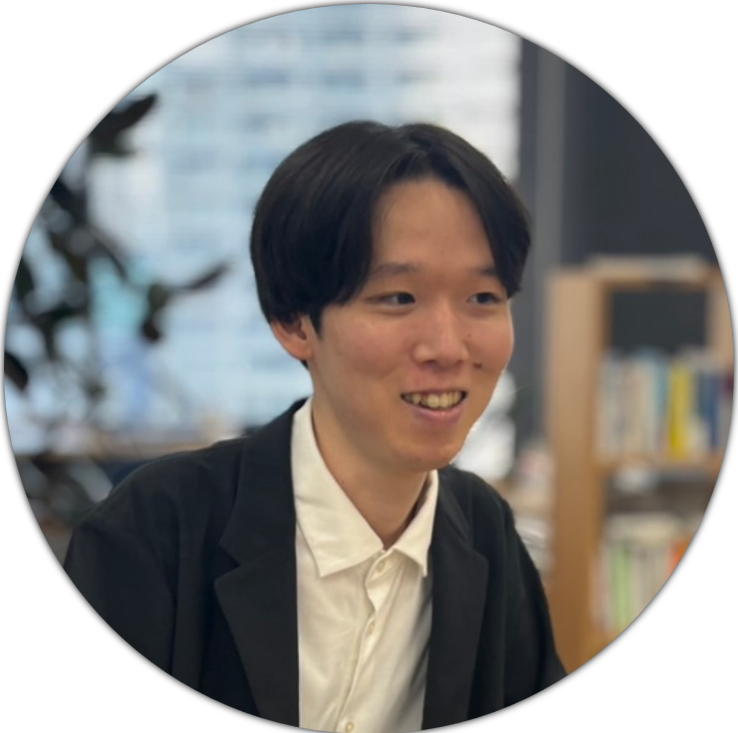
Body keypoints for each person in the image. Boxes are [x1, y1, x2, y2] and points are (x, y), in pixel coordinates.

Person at [64, 120, 566, 732]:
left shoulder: (486, 536)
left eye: (483, 298)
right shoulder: (154, 531)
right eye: (399, 298)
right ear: (294, 323)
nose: (446, 347)